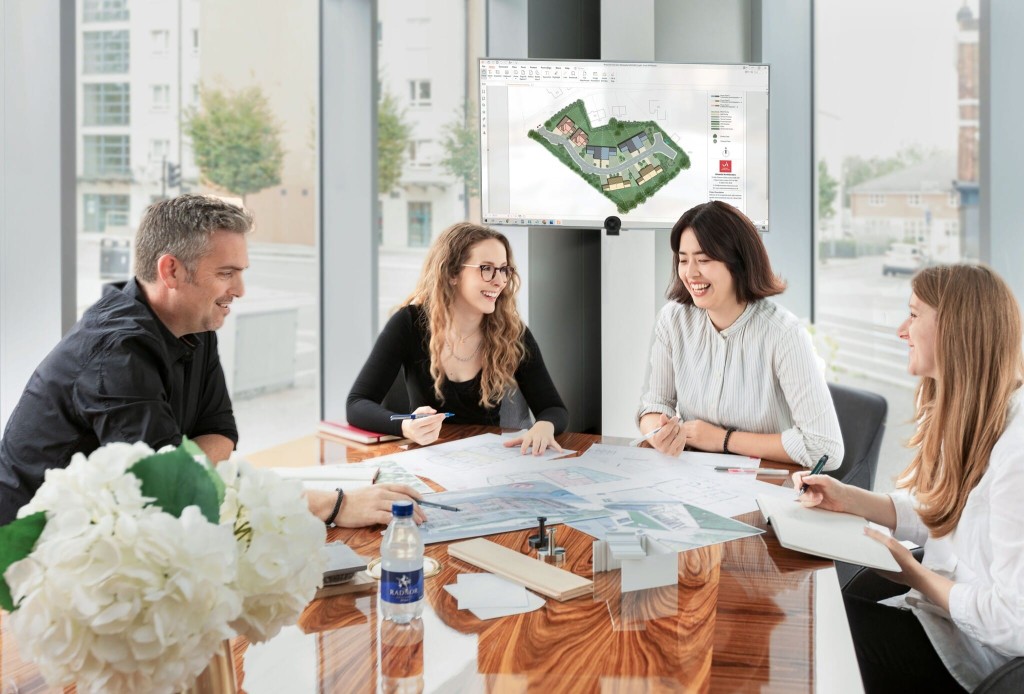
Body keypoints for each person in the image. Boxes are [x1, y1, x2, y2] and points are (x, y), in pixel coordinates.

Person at [0, 195, 421, 528]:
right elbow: (170, 488)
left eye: (241, 272)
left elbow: (218, 433)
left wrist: (192, 477)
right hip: (34, 557)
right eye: (226, 273)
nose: (239, 289)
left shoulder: (195, 324)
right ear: (171, 271)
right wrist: (335, 506)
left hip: (122, 533)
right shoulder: (116, 351)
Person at [797, 264, 1024, 692]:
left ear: (957, 329)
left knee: (814, 630)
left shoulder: (1017, 454)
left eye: (915, 315)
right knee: (818, 609)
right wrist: (849, 498)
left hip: (976, 662)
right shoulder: (973, 414)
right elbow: (948, 512)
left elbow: (1015, 622)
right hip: (940, 623)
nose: (902, 330)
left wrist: (915, 575)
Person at [637, 200, 843, 468]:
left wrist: (723, 440)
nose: (690, 273)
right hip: (693, 477)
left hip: (766, 484)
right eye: (683, 259)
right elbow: (654, 406)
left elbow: (825, 449)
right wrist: (659, 432)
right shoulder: (672, 320)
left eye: (704, 260)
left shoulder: (784, 334)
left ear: (738, 262)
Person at [347, 222, 568, 454]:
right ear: (452, 273)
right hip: (428, 460)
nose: (500, 280)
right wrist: (406, 426)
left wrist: (545, 426)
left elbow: (554, 408)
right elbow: (357, 403)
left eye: (504, 269)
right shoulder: (409, 323)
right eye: (486, 268)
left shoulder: (511, 331)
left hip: (488, 461)